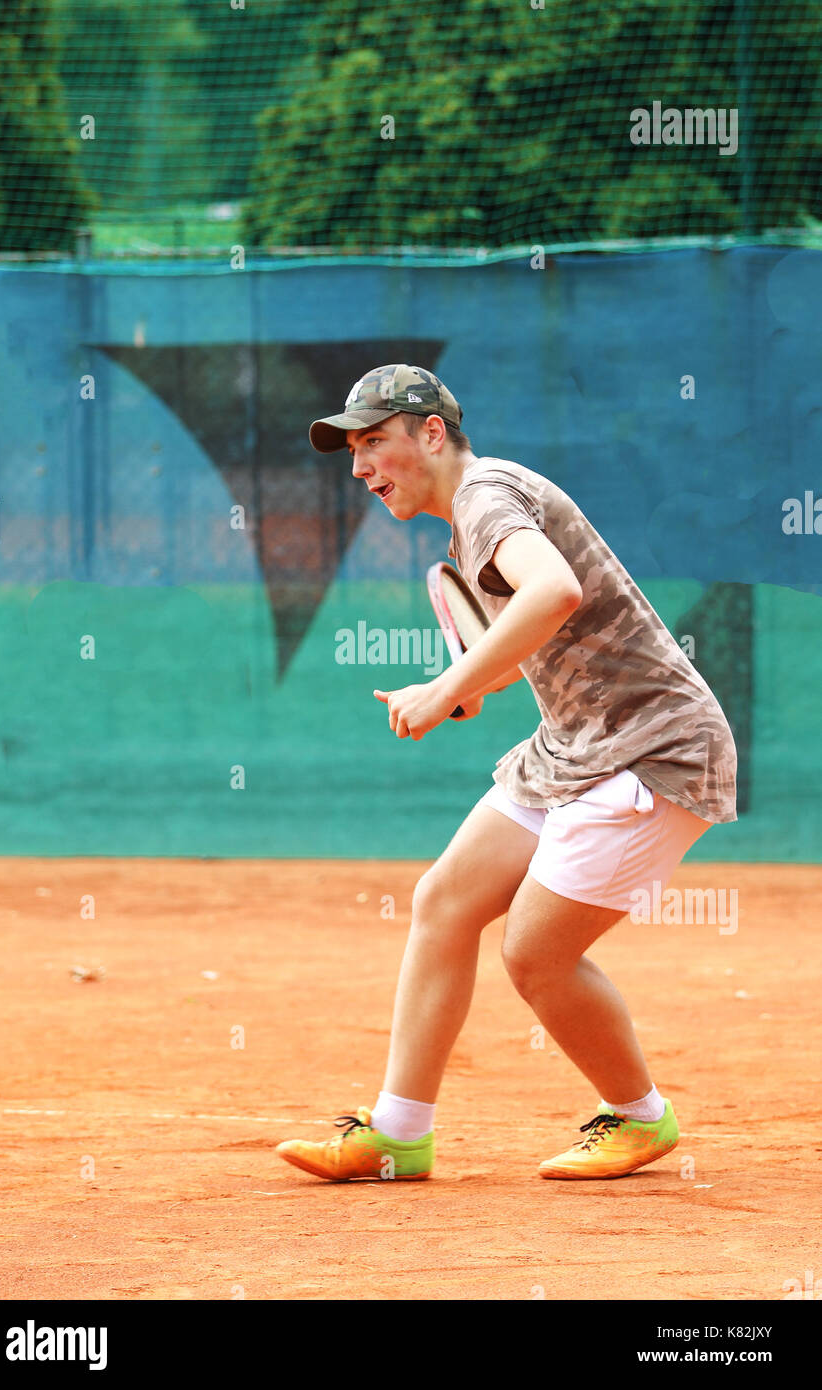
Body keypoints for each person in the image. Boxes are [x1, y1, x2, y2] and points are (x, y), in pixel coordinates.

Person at [276, 363, 737, 1182]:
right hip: (574, 745)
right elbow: (542, 627)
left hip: (652, 747)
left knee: (534, 956)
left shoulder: (485, 496)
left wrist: (447, 686)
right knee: (445, 900)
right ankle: (398, 1132)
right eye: (351, 450)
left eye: (374, 441)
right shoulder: (480, 510)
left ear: (431, 433)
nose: (359, 468)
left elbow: (553, 591)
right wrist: (472, 686)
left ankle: (640, 1116)